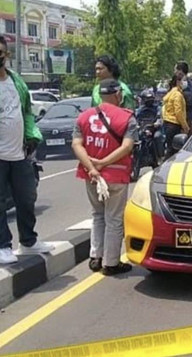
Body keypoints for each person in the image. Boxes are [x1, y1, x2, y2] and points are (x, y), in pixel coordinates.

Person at [72, 79, 137, 275]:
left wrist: (92, 167)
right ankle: (111, 263)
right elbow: (127, 146)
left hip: (91, 175)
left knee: (97, 215)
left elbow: (76, 144)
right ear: (118, 95)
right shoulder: (127, 118)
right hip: (115, 175)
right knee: (114, 219)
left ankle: (95, 257)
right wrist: (104, 163)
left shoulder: (83, 117)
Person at [0, 36, 54, 264]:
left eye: (1, 52)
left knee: (26, 197)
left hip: (19, 153)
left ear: (7, 54)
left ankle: (28, 241)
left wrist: (32, 136)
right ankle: (3, 246)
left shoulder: (16, 82)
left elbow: (27, 113)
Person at [162, 74, 188, 159]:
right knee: (174, 151)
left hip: (167, 123)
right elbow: (178, 112)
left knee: (170, 148)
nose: (184, 83)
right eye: (182, 80)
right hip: (175, 124)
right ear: (178, 82)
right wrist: (185, 126)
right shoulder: (177, 95)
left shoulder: (170, 93)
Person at [136, 90, 165, 160]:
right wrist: (137, 126)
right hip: (143, 129)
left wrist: (157, 124)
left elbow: (160, 118)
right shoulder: (139, 110)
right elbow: (135, 119)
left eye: (150, 99)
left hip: (155, 129)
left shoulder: (157, 108)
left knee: (157, 136)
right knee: (137, 137)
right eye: (147, 99)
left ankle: (160, 156)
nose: (149, 101)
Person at [174, 61, 192, 135]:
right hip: (178, 120)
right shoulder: (175, 84)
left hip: (188, 120)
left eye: (175, 70)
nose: (175, 72)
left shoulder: (191, 86)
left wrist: (182, 93)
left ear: (180, 71)